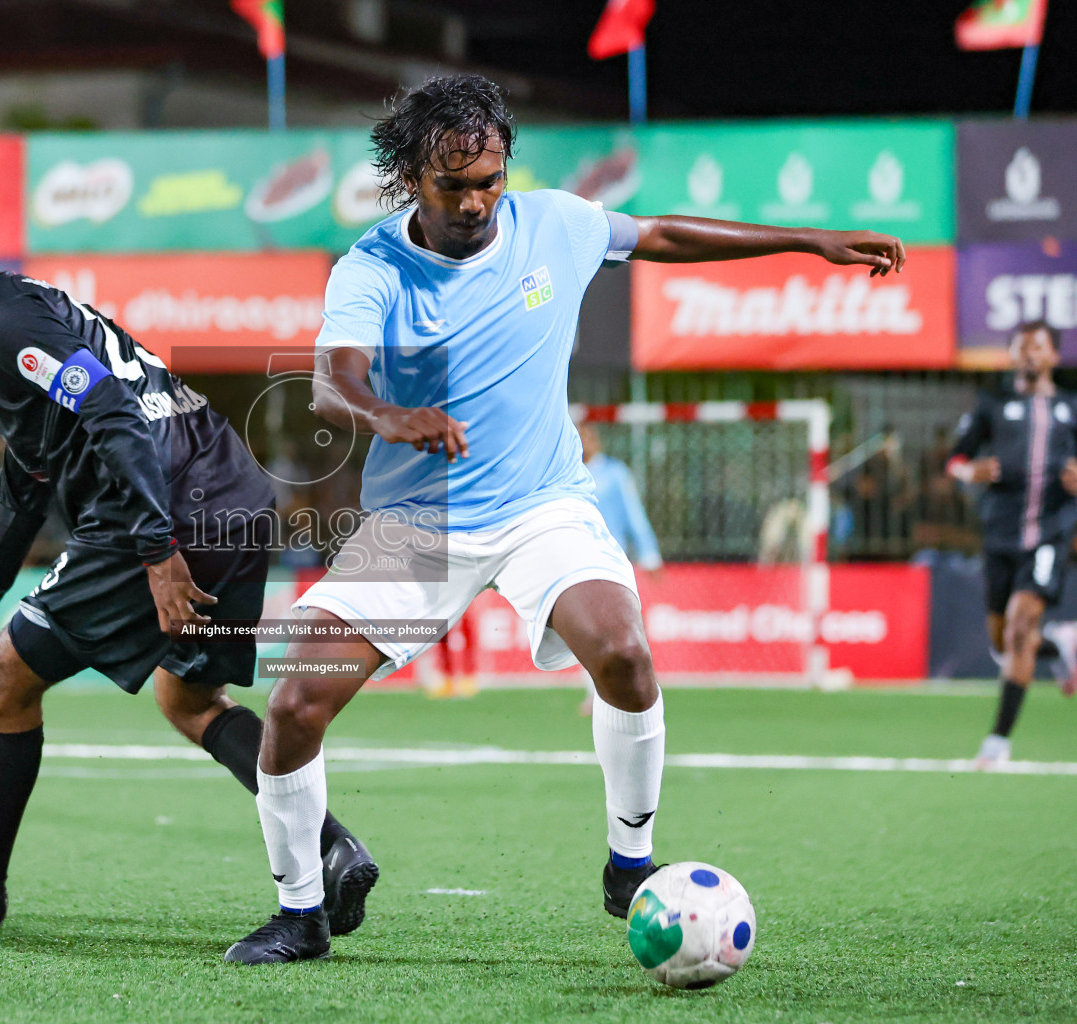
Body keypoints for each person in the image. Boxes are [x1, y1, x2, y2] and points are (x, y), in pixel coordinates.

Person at [223, 74, 906, 964]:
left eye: (488, 180)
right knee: (293, 704)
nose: (474, 201)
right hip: (418, 522)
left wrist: (808, 241)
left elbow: (658, 233)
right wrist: (389, 417)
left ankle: (630, 863)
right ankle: (301, 914)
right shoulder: (374, 267)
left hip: (541, 503)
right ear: (410, 177)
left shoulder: (556, 224)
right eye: (451, 183)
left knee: (623, 653)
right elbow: (331, 380)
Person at [0, 184, 378, 935]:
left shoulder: (0, 323)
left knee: (3, 684)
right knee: (189, 702)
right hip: (233, 495)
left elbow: (113, 413)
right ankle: (330, 848)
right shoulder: (30, 310)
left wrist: (157, 552)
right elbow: (26, 483)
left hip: (165, 516)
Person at [947, 321, 1077, 769]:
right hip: (1001, 535)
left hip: (1050, 534)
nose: (1029, 354)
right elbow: (955, 457)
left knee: (1021, 628)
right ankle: (1060, 646)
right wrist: (967, 472)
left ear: (1054, 356)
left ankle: (998, 741)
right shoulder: (993, 405)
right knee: (1002, 644)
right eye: (1021, 347)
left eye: (1038, 347)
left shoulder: (1070, 409)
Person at [577, 421, 662, 715]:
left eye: (587, 435)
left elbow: (634, 515)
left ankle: (634, 688)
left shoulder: (615, 474)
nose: (583, 442)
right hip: (578, 561)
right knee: (587, 630)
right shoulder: (569, 475)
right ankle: (598, 694)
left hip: (612, 561)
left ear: (596, 439)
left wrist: (650, 554)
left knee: (620, 627)